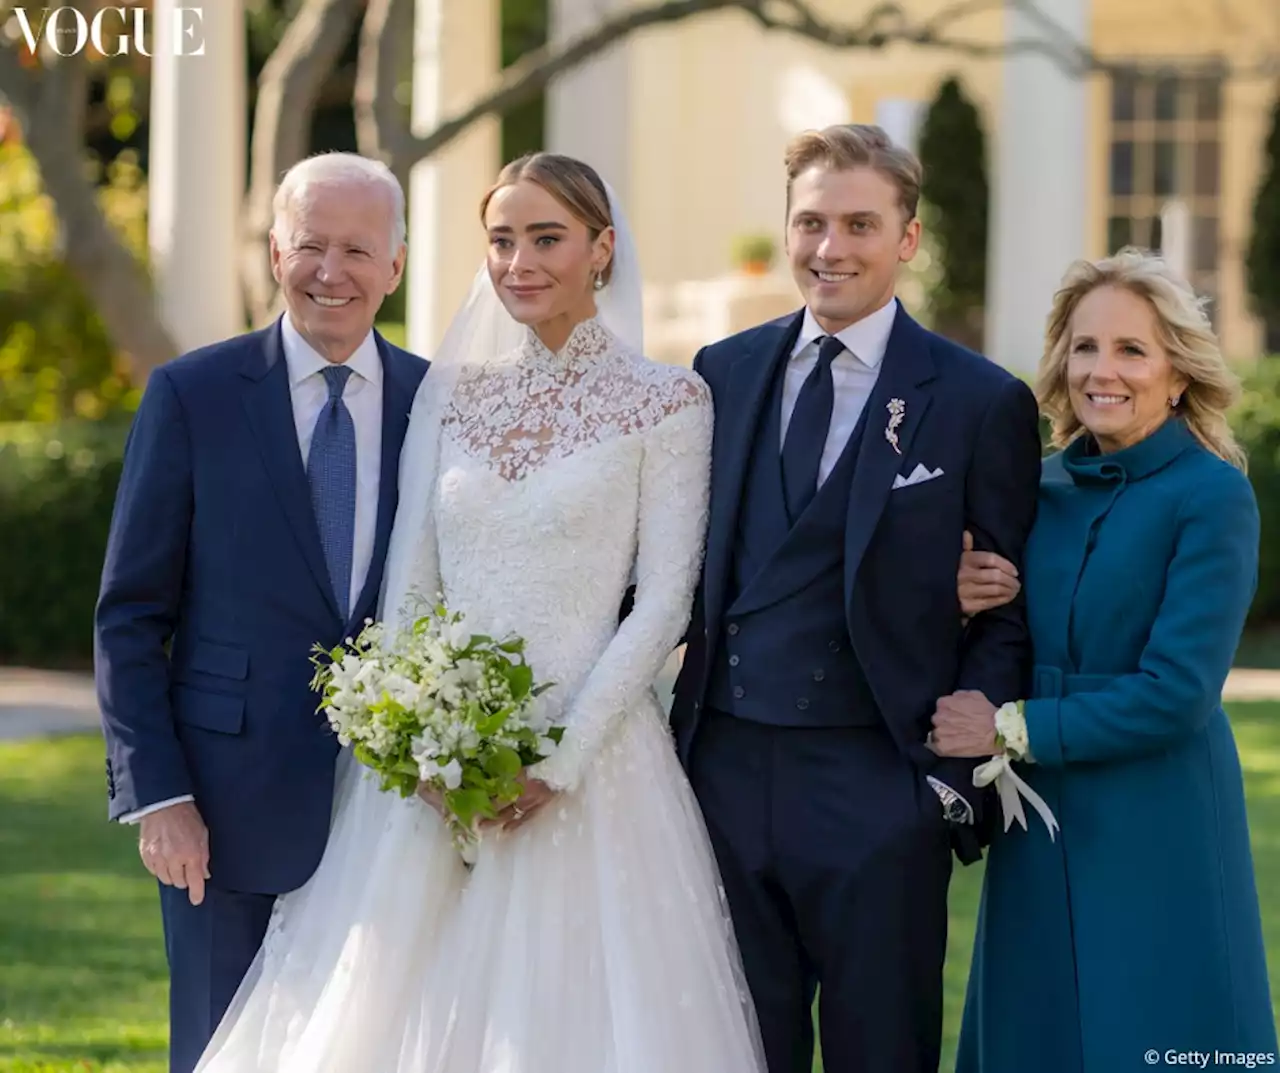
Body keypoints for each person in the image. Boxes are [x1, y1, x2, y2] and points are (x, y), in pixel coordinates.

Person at [188, 152, 767, 1073]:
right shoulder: (451, 397)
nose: (519, 262)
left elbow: (664, 602)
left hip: (592, 768)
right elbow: (411, 589)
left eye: (547, 238)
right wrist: (420, 739)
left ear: (602, 249)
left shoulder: (669, 400)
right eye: (501, 240)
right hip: (429, 775)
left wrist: (560, 757)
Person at [668, 123, 1044, 1073]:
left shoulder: (977, 399)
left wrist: (942, 789)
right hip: (719, 769)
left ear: (907, 239)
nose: (830, 248)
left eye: (860, 224)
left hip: (879, 781)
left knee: (884, 1051)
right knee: (737, 1047)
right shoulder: (723, 372)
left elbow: (1007, 613)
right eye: (811, 223)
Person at [93, 153, 429, 1073]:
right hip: (222, 803)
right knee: (218, 1048)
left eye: (358, 249)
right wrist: (159, 796)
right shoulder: (192, 396)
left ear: (396, 265)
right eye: (311, 244)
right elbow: (128, 614)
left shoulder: (438, 406)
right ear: (275, 250)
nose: (332, 271)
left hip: (395, 812)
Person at [941, 248, 1277, 1072]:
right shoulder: (1036, 486)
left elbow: (1177, 692)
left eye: (1132, 349)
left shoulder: (1213, 495)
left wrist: (1010, 725)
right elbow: (1005, 636)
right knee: (1037, 1032)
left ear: (1177, 372)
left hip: (1156, 819)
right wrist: (960, 599)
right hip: (1039, 821)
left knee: (1152, 1028)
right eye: (1085, 346)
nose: (1103, 370)